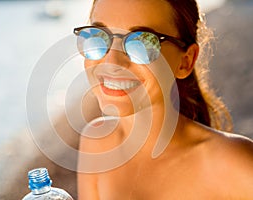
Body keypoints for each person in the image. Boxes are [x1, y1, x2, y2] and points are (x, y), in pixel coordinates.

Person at [74, 0, 253, 199]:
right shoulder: (95, 142)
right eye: (98, 37)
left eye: (142, 43)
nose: (112, 62)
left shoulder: (235, 165)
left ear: (186, 61)